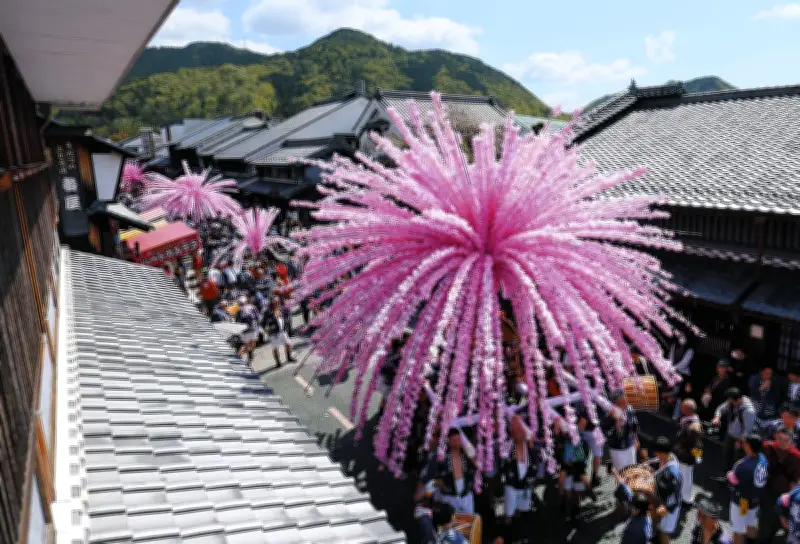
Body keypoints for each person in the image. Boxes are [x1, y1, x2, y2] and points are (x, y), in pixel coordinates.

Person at [422, 428, 477, 515]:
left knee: (468, 521)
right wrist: (431, 499)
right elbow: (430, 482)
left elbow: (477, 463)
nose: (456, 443)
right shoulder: (440, 457)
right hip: (448, 499)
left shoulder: (467, 455)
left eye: (458, 440)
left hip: (466, 496)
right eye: (453, 440)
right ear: (448, 441)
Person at [760, 425, 800, 542]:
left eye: (786, 440)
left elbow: (795, 479)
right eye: (779, 438)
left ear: (791, 441)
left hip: (785, 494)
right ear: (774, 437)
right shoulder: (767, 447)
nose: (782, 442)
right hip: (767, 490)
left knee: (783, 521)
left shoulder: (796, 456)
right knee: (765, 519)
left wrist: (790, 497)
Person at [726, 433, 768, 544]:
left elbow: (733, 480)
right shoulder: (763, 459)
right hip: (755, 500)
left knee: (738, 530)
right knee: (751, 525)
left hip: (742, 501)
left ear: (748, 446)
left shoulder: (743, 466)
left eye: (745, 442)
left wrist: (729, 474)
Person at [501, 415, 539, 537]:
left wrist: (532, 446)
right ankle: (508, 533)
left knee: (522, 508)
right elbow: (502, 462)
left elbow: (539, 460)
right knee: (509, 512)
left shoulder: (531, 445)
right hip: (511, 485)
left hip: (526, 484)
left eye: (520, 428)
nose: (518, 431)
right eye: (515, 428)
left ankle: (519, 531)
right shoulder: (507, 446)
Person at [712, 387, 757, 478]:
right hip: (731, 433)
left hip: (741, 438)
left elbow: (747, 430)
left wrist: (740, 441)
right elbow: (721, 408)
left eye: (731, 401)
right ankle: (726, 473)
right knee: (726, 452)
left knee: (737, 459)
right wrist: (717, 417)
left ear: (738, 399)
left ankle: (735, 477)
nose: (729, 402)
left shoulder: (749, 411)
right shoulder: (731, 402)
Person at [650, 435, 683, 543]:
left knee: (665, 530)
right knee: (659, 524)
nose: (655, 454)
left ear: (661, 452)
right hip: (661, 497)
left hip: (669, 505)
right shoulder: (668, 457)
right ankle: (657, 538)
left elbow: (675, 495)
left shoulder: (674, 473)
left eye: (656, 452)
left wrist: (667, 508)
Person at [674, 399, 703, 507]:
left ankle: (686, 500)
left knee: (685, 478)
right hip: (684, 455)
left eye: (682, 407)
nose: (681, 408)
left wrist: (697, 457)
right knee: (684, 477)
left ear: (686, 410)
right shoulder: (689, 421)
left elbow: (697, 445)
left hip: (686, 457)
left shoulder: (693, 427)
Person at [603, 390, 640, 471]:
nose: (627, 401)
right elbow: (608, 433)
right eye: (624, 400)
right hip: (617, 448)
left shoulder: (630, 409)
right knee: (621, 472)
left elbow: (634, 425)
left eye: (626, 399)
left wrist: (636, 439)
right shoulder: (609, 414)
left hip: (630, 444)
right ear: (617, 403)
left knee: (632, 470)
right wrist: (616, 421)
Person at [261, 297, 296, 367]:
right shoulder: (267, 312)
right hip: (274, 333)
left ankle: (289, 358)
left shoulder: (280, 309)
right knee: (275, 347)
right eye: (275, 302)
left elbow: (285, 317)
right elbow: (263, 323)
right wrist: (266, 330)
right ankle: (278, 363)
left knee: (288, 344)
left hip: (283, 331)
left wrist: (286, 324)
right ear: (272, 303)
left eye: (278, 302)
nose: (277, 303)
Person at [750, 365, 786, 431]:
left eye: (770, 373)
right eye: (766, 372)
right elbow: (752, 394)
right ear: (761, 372)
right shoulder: (754, 380)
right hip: (755, 412)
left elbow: (778, 398)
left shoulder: (776, 383)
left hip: (769, 414)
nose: (768, 375)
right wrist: (761, 388)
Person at [236, 295, 260, 362]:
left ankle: (242, 355)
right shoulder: (252, 307)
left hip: (246, 331)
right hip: (251, 329)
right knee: (252, 345)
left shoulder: (239, 310)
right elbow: (258, 317)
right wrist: (258, 326)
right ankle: (239, 355)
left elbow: (237, 322)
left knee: (249, 346)